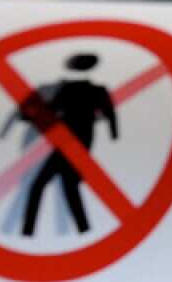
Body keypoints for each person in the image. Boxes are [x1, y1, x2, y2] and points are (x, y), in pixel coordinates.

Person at [7, 53, 119, 237]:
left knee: (41, 185)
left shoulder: (72, 90)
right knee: (67, 186)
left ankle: (29, 230)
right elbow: (110, 114)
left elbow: (50, 110)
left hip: (69, 144)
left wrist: (28, 116)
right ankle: (82, 230)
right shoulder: (97, 90)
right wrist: (113, 134)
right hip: (78, 142)